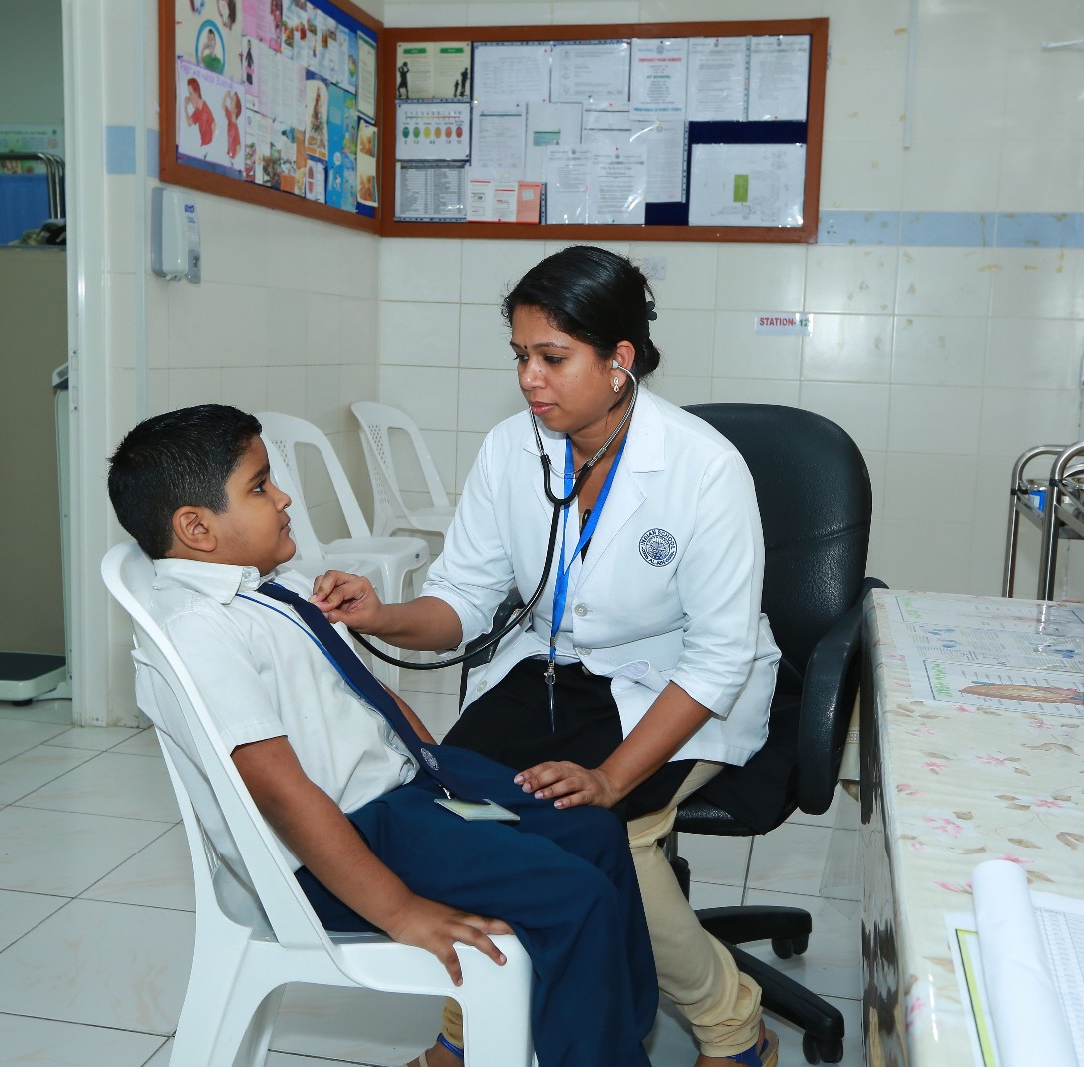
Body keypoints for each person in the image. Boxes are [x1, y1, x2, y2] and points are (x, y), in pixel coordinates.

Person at [312, 246, 782, 1067]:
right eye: (521, 355)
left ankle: (731, 1024)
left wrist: (612, 779)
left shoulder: (705, 469)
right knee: (453, 812)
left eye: (552, 358)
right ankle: (473, 1021)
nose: (530, 378)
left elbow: (716, 660)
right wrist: (382, 613)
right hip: (551, 668)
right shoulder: (512, 449)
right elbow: (461, 600)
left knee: (610, 833)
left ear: (619, 359)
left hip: (673, 682)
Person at [107, 405, 658, 1067]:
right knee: (575, 899)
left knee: (593, 830)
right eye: (259, 486)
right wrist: (400, 910)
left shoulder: (268, 588)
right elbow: (280, 793)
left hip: (409, 792)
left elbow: (364, 698)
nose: (283, 498)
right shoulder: (202, 629)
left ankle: (611, 1036)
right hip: (354, 837)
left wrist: (440, 770)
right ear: (196, 528)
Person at [183, 77, 215, 147]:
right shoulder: (198, 110)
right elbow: (189, 123)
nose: (189, 97)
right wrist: (185, 107)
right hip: (203, 145)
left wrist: (210, 144)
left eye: (190, 94)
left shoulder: (204, 107)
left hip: (208, 145)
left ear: (196, 93)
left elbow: (213, 124)